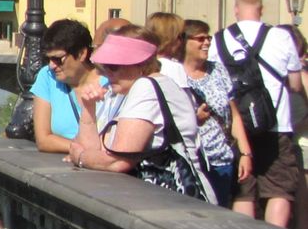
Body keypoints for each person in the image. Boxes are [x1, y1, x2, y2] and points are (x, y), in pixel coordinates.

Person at [69, 32, 214, 203]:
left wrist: (79, 157)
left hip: (176, 202)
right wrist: (88, 108)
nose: (107, 73)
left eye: (114, 66)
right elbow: (93, 148)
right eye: (104, 66)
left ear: (141, 65)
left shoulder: (146, 88)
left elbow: (117, 162)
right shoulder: (130, 91)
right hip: (162, 201)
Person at [210, 0, 305, 227]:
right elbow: (295, 84)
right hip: (276, 124)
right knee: (279, 189)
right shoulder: (280, 36)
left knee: (244, 188)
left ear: (236, 9)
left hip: (238, 127)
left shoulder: (220, 39)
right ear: (261, 10)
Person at [180, 19, 250, 208]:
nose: (207, 43)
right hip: (192, 162)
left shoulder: (218, 70)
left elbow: (234, 114)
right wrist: (195, 119)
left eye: (208, 38)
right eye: (200, 38)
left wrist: (245, 153)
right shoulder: (175, 73)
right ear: (184, 42)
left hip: (221, 160)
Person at [31, 19, 105, 155]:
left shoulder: (110, 82)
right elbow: (43, 139)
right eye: (48, 59)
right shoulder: (47, 77)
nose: (52, 65)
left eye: (58, 59)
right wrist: (80, 149)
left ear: (82, 53)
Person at [147, 11, 189, 85]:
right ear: (170, 38)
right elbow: (181, 96)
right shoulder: (174, 67)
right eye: (182, 36)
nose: (184, 41)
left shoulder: (141, 66)